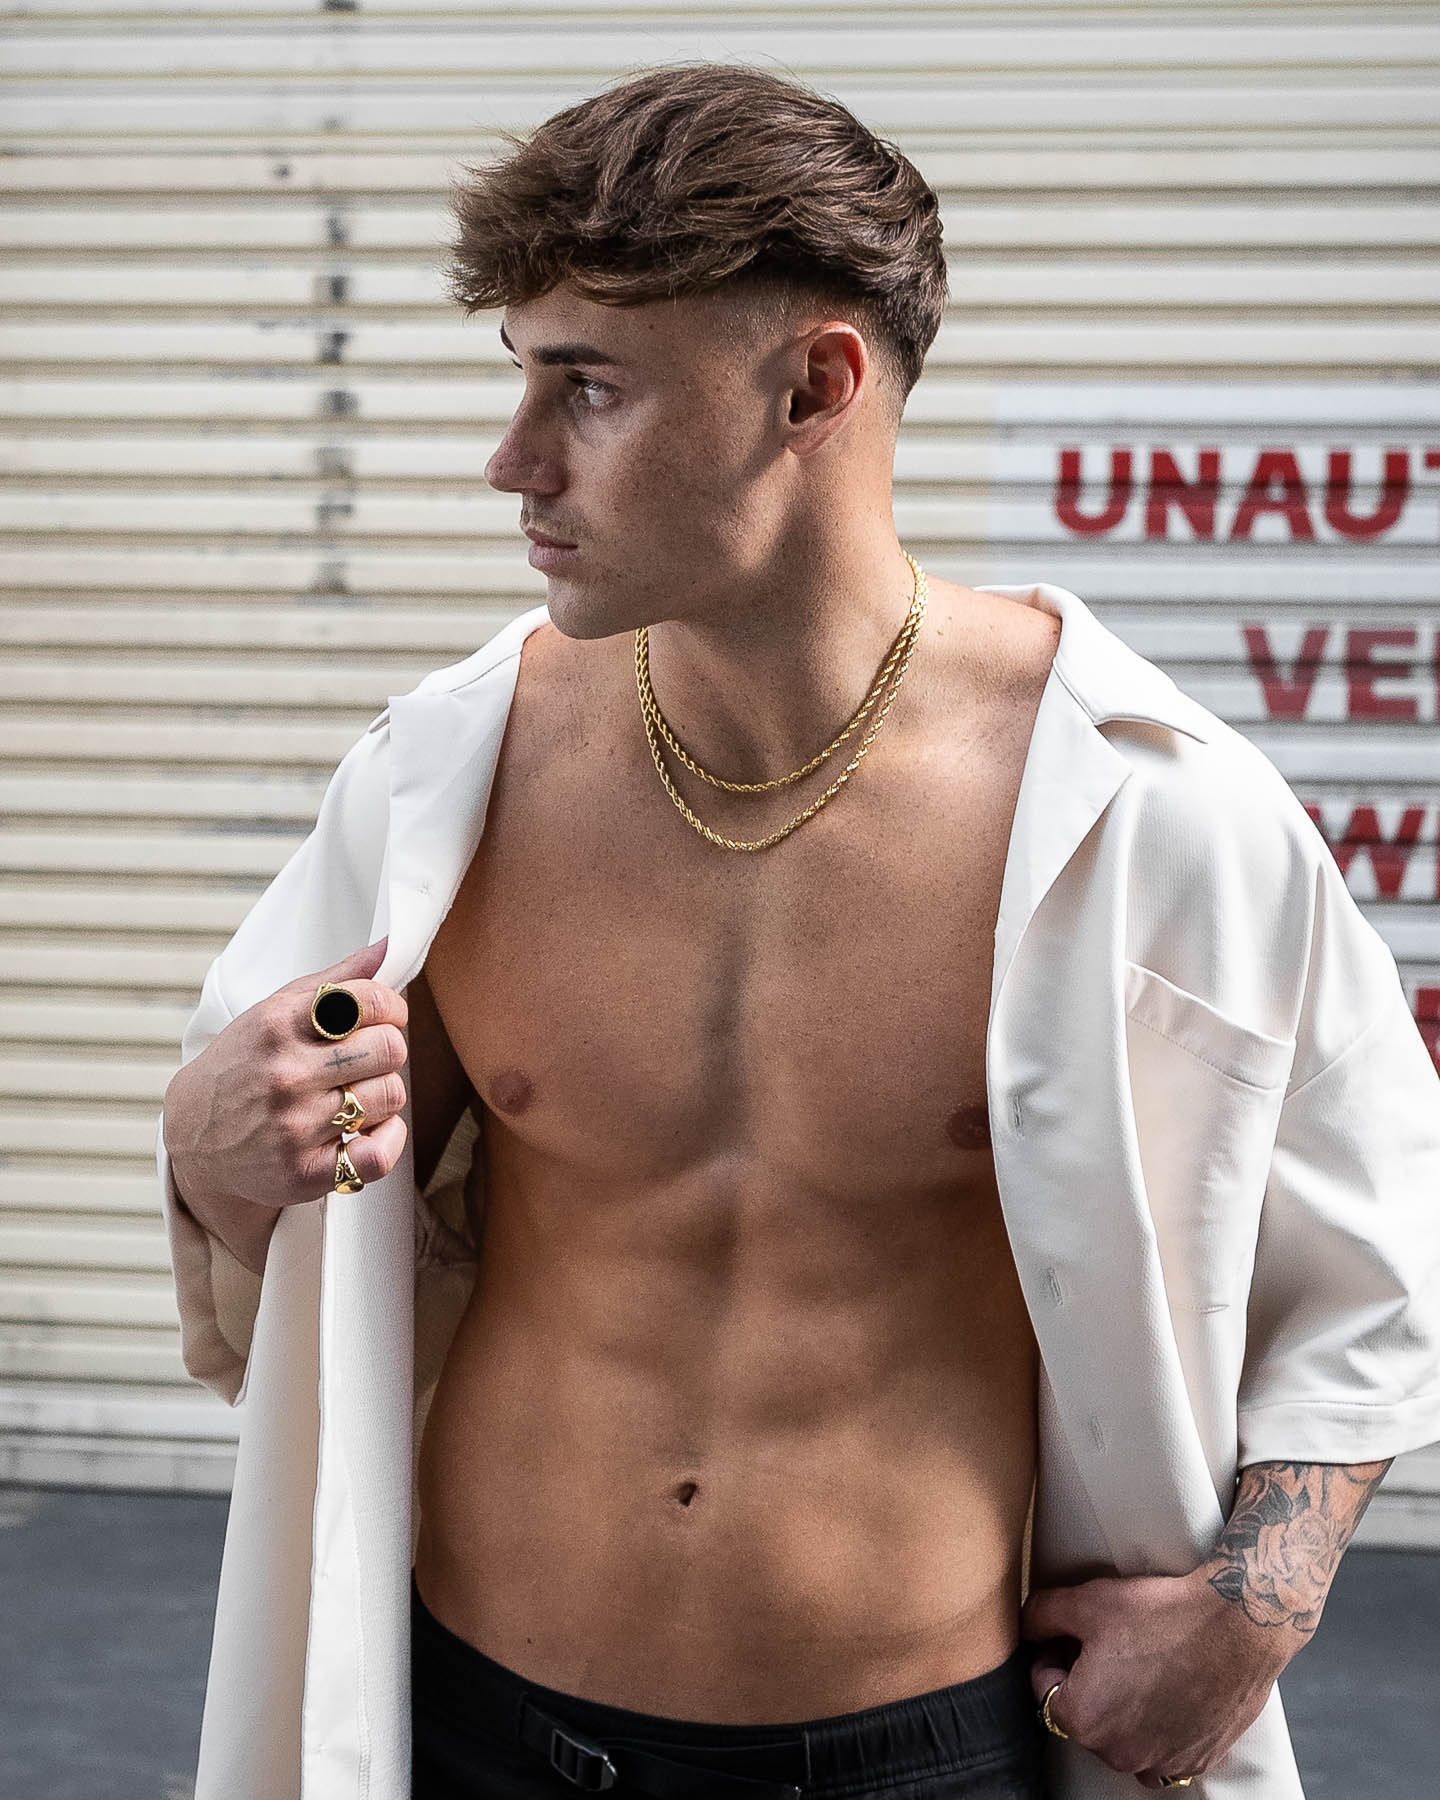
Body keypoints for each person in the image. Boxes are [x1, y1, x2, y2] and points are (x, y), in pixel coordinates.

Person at [157, 62, 1440, 1800]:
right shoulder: (447, 782)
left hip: (929, 1751)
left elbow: (1377, 1264)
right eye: (521, 379)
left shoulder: (1154, 813)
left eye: (587, 386)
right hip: (480, 1723)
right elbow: (305, 1234)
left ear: (813, 386)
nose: (510, 460)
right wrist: (209, 1147)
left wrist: (1252, 1612)